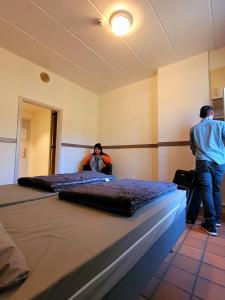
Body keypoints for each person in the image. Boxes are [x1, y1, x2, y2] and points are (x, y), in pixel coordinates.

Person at [190, 105, 225, 236]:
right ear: (211, 113)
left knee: (207, 191)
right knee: (216, 189)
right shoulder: (221, 124)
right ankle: (216, 220)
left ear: (201, 115)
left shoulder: (194, 129)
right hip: (220, 162)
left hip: (203, 162)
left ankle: (210, 224)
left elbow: (193, 149)